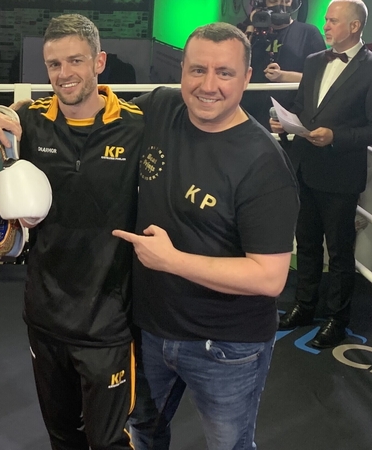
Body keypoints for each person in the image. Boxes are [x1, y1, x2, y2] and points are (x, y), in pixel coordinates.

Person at [113, 22, 299, 449]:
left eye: (224, 72)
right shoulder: (160, 108)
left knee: (229, 445)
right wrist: (2, 113)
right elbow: (92, 120)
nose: (208, 85)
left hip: (226, 345)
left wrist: (172, 260)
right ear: (181, 70)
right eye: (198, 70)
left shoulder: (264, 164)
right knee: (143, 433)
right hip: (149, 329)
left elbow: (270, 278)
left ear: (247, 78)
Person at [0, 13, 147, 450]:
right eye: (54, 65)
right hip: (45, 312)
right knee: (61, 436)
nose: (64, 74)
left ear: (99, 62)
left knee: (109, 442)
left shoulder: (137, 125)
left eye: (75, 61)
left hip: (109, 318)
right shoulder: (29, 122)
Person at [272, 0, 372, 348]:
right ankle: (304, 306)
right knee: (307, 243)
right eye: (326, 19)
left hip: (340, 173)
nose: (325, 25)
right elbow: (301, 108)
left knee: (340, 252)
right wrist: (284, 124)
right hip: (304, 166)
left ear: (355, 27)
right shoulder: (314, 63)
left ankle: (338, 320)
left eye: (333, 20)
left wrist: (336, 136)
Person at [238, 0, 326, 131]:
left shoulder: (308, 33)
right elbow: (233, 66)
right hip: (248, 119)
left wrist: (284, 76)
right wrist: (250, 27)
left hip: (290, 121)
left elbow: (322, 78)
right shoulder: (248, 33)